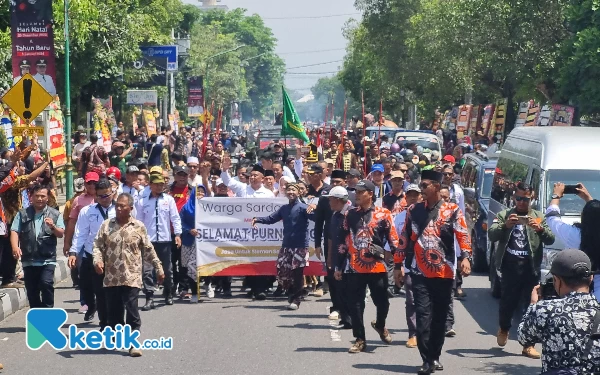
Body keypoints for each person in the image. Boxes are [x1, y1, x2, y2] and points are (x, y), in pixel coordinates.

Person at [393, 170, 472, 374]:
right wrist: (397, 265)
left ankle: (434, 355)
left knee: (439, 319)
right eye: (421, 186)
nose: (422, 190)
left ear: (436, 187)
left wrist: (465, 257)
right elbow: (404, 239)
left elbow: (463, 236)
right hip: (419, 273)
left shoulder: (452, 210)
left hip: (444, 273)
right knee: (422, 317)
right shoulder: (413, 210)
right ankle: (426, 359)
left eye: (425, 186)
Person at [488, 182, 555, 359]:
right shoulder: (505, 215)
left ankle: (528, 344)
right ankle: (504, 328)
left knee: (530, 307)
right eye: (518, 198)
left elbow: (550, 239)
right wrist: (506, 226)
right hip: (510, 266)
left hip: (530, 267)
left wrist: (539, 229)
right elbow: (492, 234)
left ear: (531, 198)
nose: (521, 202)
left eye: (525, 199)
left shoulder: (538, 216)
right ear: (513, 198)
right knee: (507, 303)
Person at [93, 193, 164, 357]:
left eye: (122, 206)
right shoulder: (106, 225)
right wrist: (97, 261)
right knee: (115, 312)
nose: (118, 208)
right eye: (117, 205)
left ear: (130, 208)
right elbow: (97, 246)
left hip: (131, 276)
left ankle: (134, 342)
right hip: (111, 277)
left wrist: (158, 267)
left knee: (132, 309)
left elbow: (148, 249)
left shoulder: (138, 227)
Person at [335, 180, 399, 353]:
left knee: (382, 302)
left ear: (370, 194)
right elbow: (342, 240)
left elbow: (394, 240)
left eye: (360, 191)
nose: (356, 194)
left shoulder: (384, 214)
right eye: (355, 191)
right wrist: (338, 266)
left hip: (377, 267)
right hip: (355, 267)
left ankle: (380, 324)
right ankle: (360, 339)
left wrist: (395, 261)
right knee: (355, 304)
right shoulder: (350, 215)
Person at [518, 249, 600, 374]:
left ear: (557, 280)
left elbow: (523, 337)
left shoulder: (544, 310)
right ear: (591, 278)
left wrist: (533, 305)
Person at [251, 184, 315, 310]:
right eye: (289, 190)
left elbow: (317, 218)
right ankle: (292, 293)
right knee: (283, 272)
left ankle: (296, 300)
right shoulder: (284, 208)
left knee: (297, 273)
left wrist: (315, 207)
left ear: (299, 192)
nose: (291, 192)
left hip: (300, 246)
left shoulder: (303, 208)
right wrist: (257, 219)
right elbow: (271, 219)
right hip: (286, 246)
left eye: (293, 190)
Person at [68, 179, 116, 328]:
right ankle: (104, 324)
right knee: (98, 292)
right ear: (96, 195)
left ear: (112, 192)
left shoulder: (120, 209)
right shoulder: (87, 211)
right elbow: (80, 233)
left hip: (115, 258)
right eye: (100, 196)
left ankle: (114, 322)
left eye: (107, 195)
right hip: (93, 256)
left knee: (114, 294)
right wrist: (73, 252)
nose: (104, 199)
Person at [10, 184, 64, 308]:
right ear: (31, 197)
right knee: (32, 291)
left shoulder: (54, 214)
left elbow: (60, 233)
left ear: (47, 197)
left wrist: (53, 227)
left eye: (42, 196)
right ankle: (36, 316)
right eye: (37, 196)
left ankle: (48, 311)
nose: (39, 199)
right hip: (29, 259)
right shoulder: (22, 214)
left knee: (46, 284)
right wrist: (15, 247)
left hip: (47, 259)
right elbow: (14, 231)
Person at [545, 182, 600, 299]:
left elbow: (551, 217)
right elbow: (596, 215)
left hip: (580, 296)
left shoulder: (575, 235)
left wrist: (556, 196)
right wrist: (588, 198)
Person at [135, 172, 182, 310]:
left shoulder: (168, 200)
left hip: (165, 240)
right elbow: (139, 221)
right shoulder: (142, 201)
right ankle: (149, 297)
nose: (160, 186)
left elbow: (175, 218)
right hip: (148, 241)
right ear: (150, 185)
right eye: (157, 184)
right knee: (147, 270)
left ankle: (168, 293)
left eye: (162, 184)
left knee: (167, 268)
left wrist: (178, 234)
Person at [389, 183, 422, 348]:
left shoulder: (428, 214)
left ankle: (426, 332)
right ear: (406, 198)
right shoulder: (400, 217)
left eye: (416, 195)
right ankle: (413, 333)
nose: (413, 198)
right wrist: (398, 265)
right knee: (411, 300)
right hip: (408, 264)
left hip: (429, 265)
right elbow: (395, 243)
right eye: (410, 195)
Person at [325, 186, 353, 329]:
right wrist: (329, 257)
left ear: (337, 200)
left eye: (330, 199)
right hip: (337, 256)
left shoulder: (351, 214)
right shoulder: (334, 215)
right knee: (339, 288)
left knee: (349, 290)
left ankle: (351, 319)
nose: (329, 203)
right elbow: (331, 238)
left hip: (350, 258)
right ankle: (345, 318)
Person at [63, 178, 85, 288]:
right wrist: (67, 239)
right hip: (74, 233)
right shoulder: (70, 203)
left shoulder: (91, 200)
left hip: (84, 234)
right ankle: (76, 280)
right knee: (74, 257)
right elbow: (68, 221)